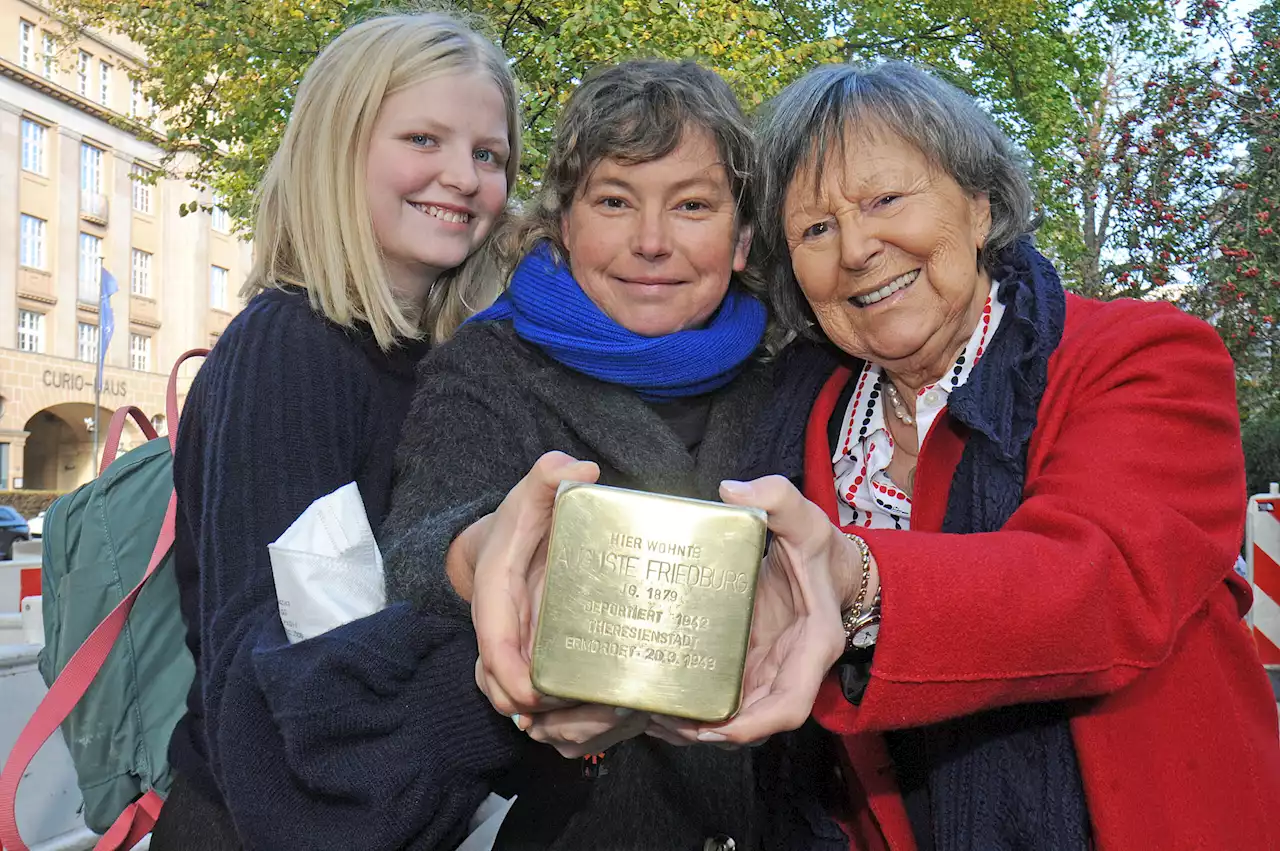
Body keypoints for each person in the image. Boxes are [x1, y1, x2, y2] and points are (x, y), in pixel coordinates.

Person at [657, 61, 1280, 850]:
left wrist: (858, 580)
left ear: (980, 206)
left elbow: (1096, 582)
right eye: (815, 229)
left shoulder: (1144, 356)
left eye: (885, 200)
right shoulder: (795, 421)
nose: (855, 249)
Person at [382, 60, 848, 850]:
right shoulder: (487, 365)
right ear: (566, 223)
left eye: (692, 206)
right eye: (614, 201)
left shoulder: (802, 370)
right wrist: (489, 548)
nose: (653, 242)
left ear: (741, 238)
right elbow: (415, 555)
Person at [152, 13, 522, 850]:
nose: (461, 176)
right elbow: (279, 702)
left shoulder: (445, 364)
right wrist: (523, 696)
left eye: (488, 154)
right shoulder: (291, 347)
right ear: (336, 146)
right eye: (423, 138)